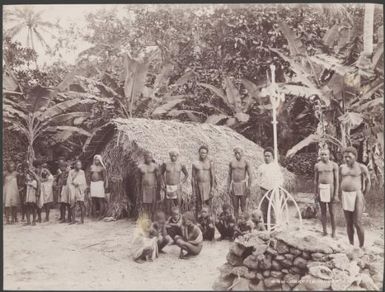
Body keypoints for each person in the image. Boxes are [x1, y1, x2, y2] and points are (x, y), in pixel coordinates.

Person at [340, 147, 371, 248]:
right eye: (345, 157)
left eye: (349, 157)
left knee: (357, 222)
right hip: (345, 195)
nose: (347, 159)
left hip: (357, 195)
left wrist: (363, 195)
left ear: (355, 157)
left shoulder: (361, 167)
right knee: (348, 222)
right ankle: (351, 245)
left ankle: (361, 246)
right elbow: (341, 180)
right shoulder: (342, 167)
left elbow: (368, 182)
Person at [256, 147, 284, 228]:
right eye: (265, 156)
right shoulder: (261, 167)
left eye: (268, 156)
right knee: (263, 210)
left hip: (272, 191)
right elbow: (258, 178)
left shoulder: (275, 167)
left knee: (272, 210)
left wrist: (277, 187)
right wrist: (260, 185)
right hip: (263, 190)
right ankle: (265, 227)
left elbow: (280, 179)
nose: (267, 158)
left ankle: (272, 227)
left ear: (272, 157)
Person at [314, 148, 339, 237]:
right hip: (321, 189)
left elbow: (337, 181)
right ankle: (324, 231)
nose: (324, 156)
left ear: (329, 155)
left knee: (332, 212)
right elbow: (316, 180)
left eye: (325, 154)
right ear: (320, 156)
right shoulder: (317, 165)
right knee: (323, 211)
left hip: (331, 189)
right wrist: (315, 193)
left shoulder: (334, 165)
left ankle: (334, 232)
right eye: (322, 154)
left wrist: (336, 194)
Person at [160, 148, 189, 216]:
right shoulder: (166, 164)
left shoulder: (181, 165)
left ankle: (178, 218)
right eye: (172, 155)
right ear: (169, 156)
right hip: (168, 186)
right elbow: (160, 173)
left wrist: (182, 182)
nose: (173, 157)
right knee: (167, 204)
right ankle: (168, 219)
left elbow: (186, 174)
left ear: (177, 156)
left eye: (175, 156)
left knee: (177, 203)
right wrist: (163, 183)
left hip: (177, 187)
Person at [227, 147, 253, 219]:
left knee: (243, 206)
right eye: (236, 153)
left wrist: (249, 187)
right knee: (235, 206)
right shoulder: (231, 162)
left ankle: (244, 223)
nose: (237, 154)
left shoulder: (246, 162)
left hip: (243, 185)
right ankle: (236, 223)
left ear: (242, 153)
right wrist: (228, 187)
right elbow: (229, 175)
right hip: (234, 185)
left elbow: (250, 175)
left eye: (239, 153)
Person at [192, 145, 216, 218]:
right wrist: (193, 190)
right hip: (198, 185)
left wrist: (212, 188)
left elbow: (213, 176)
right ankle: (199, 220)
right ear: (199, 153)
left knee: (208, 203)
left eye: (205, 153)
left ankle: (209, 220)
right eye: (201, 152)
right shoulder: (195, 163)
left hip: (207, 185)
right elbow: (193, 178)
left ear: (207, 154)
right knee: (198, 203)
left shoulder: (210, 163)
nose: (203, 154)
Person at [138, 152, 160, 219]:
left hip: (153, 187)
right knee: (145, 203)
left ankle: (153, 216)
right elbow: (139, 178)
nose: (148, 159)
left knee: (153, 203)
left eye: (150, 157)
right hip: (144, 188)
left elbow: (158, 177)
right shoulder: (140, 167)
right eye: (147, 157)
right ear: (144, 157)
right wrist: (139, 188)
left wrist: (158, 187)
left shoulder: (155, 166)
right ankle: (146, 217)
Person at [67, 160, 87, 224]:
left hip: (80, 189)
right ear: (75, 165)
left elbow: (84, 182)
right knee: (73, 205)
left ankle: (82, 220)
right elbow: (69, 181)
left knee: (81, 204)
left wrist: (79, 185)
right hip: (73, 189)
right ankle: (73, 220)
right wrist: (73, 186)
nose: (79, 166)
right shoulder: (71, 172)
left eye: (80, 165)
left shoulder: (82, 172)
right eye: (77, 165)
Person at [89, 155, 108, 220]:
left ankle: (100, 215)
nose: (96, 161)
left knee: (100, 200)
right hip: (93, 184)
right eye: (95, 159)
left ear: (100, 160)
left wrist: (104, 186)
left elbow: (105, 178)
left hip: (100, 184)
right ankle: (94, 216)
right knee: (93, 200)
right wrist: (89, 184)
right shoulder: (91, 167)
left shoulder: (102, 168)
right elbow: (89, 176)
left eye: (97, 159)